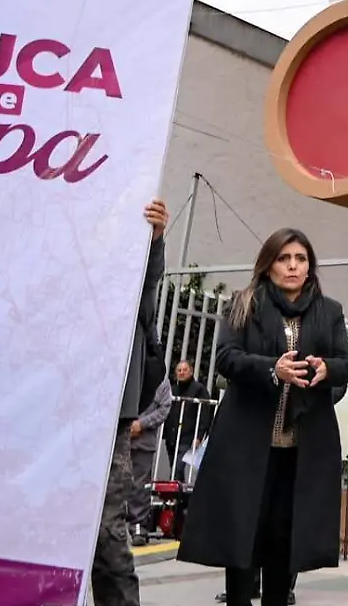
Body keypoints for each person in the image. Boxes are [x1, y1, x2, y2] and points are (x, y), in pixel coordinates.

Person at [178, 229, 348, 606]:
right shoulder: (245, 303)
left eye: (301, 259)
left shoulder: (330, 310)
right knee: (244, 535)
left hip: (301, 448)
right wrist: (272, 370)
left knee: (283, 539)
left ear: (310, 267)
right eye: (284, 258)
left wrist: (328, 369)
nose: (293, 266)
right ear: (269, 264)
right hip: (247, 444)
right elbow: (226, 357)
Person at [92, 199, 171, 606]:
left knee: (107, 534)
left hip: (111, 423)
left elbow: (147, 285)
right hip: (52, 418)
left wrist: (154, 239)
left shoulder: (130, 296)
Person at [129, 373, 173, 545]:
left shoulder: (161, 379)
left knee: (140, 485)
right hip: (118, 439)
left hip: (143, 443)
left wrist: (142, 424)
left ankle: (138, 524)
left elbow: (164, 408)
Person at [165, 359, 215, 471]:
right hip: (172, 437)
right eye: (179, 370)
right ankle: (178, 488)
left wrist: (199, 436)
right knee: (174, 468)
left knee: (177, 469)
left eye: (185, 370)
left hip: (188, 437)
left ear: (191, 372)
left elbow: (205, 414)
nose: (181, 372)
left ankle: (175, 487)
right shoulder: (172, 390)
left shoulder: (199, 389)